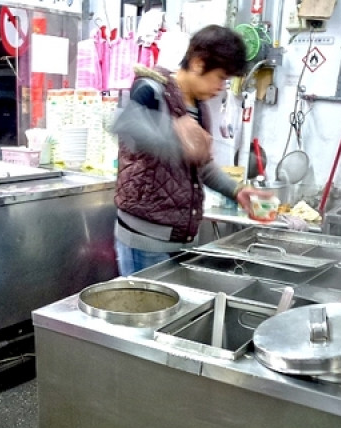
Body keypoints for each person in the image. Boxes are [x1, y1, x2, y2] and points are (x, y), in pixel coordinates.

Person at [112, 25, 272, 276]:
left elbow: (200, 163)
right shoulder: (151, 89)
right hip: (144, 243)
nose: (221, 87)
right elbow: (125, 125)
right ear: (198, 63)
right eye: (221, 77)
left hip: (181, 242)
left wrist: (236, 190)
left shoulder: (198, 107)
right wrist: (175, 134)